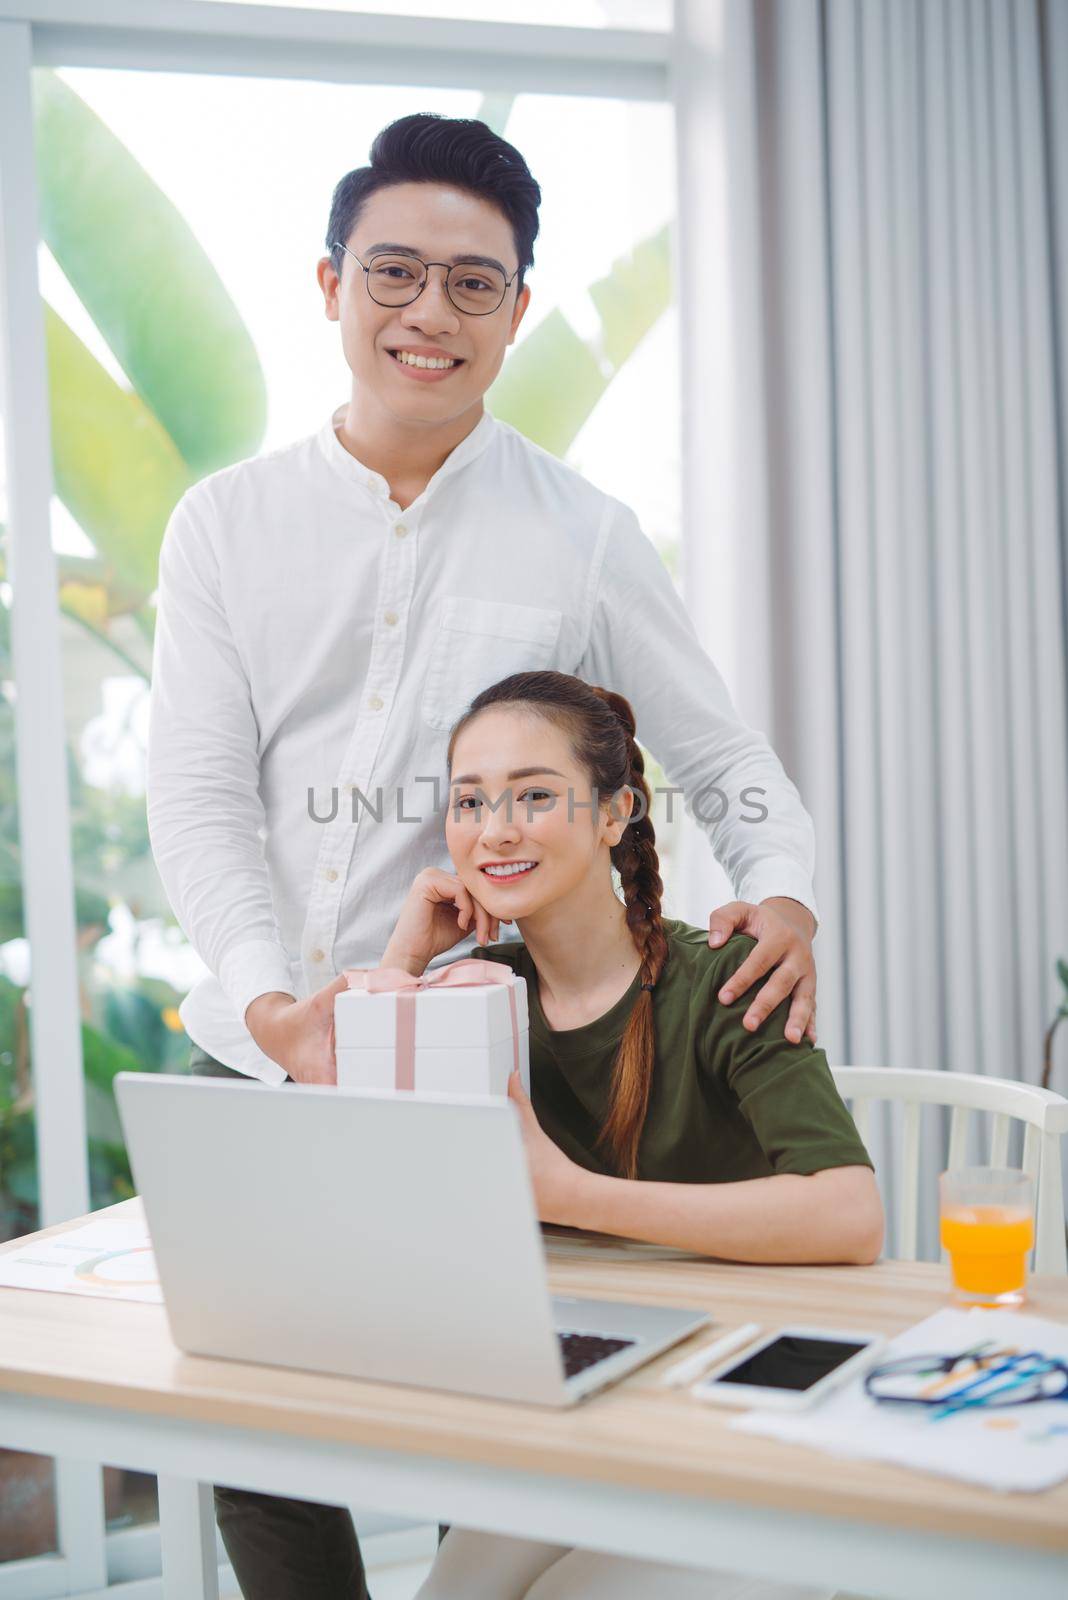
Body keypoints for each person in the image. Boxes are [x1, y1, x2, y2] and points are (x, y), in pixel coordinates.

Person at [147, 113, 831, 1600]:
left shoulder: (579, 535)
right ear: (329, 284)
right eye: (394, 272)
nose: (429, 314)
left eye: (475, 284)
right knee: (254, 1434)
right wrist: (271, 1004)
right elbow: (199, 801)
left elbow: (718, 756)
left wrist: (781, 888)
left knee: (493, 1386)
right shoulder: (225, 528)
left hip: (472, 1057)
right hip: (269, 1050)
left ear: (519, 310)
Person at [371, 669, 883, 1600]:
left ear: (617, 814)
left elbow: (850, 1215)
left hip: (750, 1403)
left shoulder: (732, 976)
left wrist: (566, 1193)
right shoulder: (476, 991)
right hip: (584, 1401)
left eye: (534, 794)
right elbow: (363, 1190)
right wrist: (401, 968)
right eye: (470, 801)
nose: (495, 829)